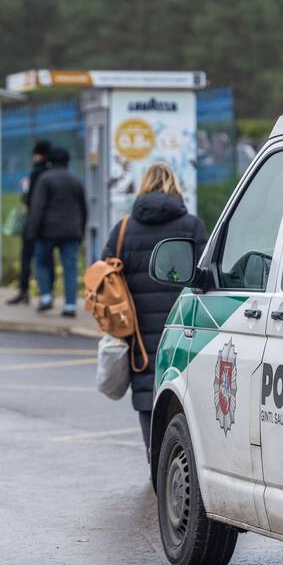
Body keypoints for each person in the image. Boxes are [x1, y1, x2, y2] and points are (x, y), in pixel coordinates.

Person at [100, 162, 207, 448]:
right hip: (183, 328)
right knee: (184, 398)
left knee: (148, 398)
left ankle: (154, 461)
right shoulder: (191, 226)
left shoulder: (123, 229)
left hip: (138, 333)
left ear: (143, 185)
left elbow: (104, 276)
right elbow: (209, 273)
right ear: (175, 186)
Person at [25, 147, 86, 316]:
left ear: (50, 161)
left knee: (42, 263)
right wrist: (81, 231)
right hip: (72, 231)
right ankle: (70, 305)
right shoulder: (75, 180)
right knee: (70, 268)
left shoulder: (45, 179)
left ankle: (45, 297)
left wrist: (32, 231)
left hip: (47, 232)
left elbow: (37, 207)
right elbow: (83, 208)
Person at [7, 139, 52, 305]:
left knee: (27, 257)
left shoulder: (36, 172)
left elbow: (30, 199)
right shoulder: (52, 170)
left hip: (34, 221)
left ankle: (24, 291)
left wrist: (25, 193)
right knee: (47, 259)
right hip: (50, 224)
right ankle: (47, 293)